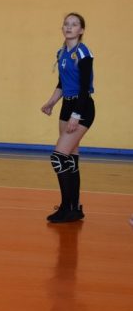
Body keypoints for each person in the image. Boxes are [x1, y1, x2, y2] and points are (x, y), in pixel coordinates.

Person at [40, 12, 94, 224]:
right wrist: (51, 102)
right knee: (70, 158)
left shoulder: (83, 52)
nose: (69, 27)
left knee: (58, 157)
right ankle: (74, 208)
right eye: (66, 24)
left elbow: (84, 87)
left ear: (81, 30)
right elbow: (62, 83)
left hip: (82, 106)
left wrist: (76, 115)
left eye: (74, 24)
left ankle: (66, 207)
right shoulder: (61, 52)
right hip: (66, 106)